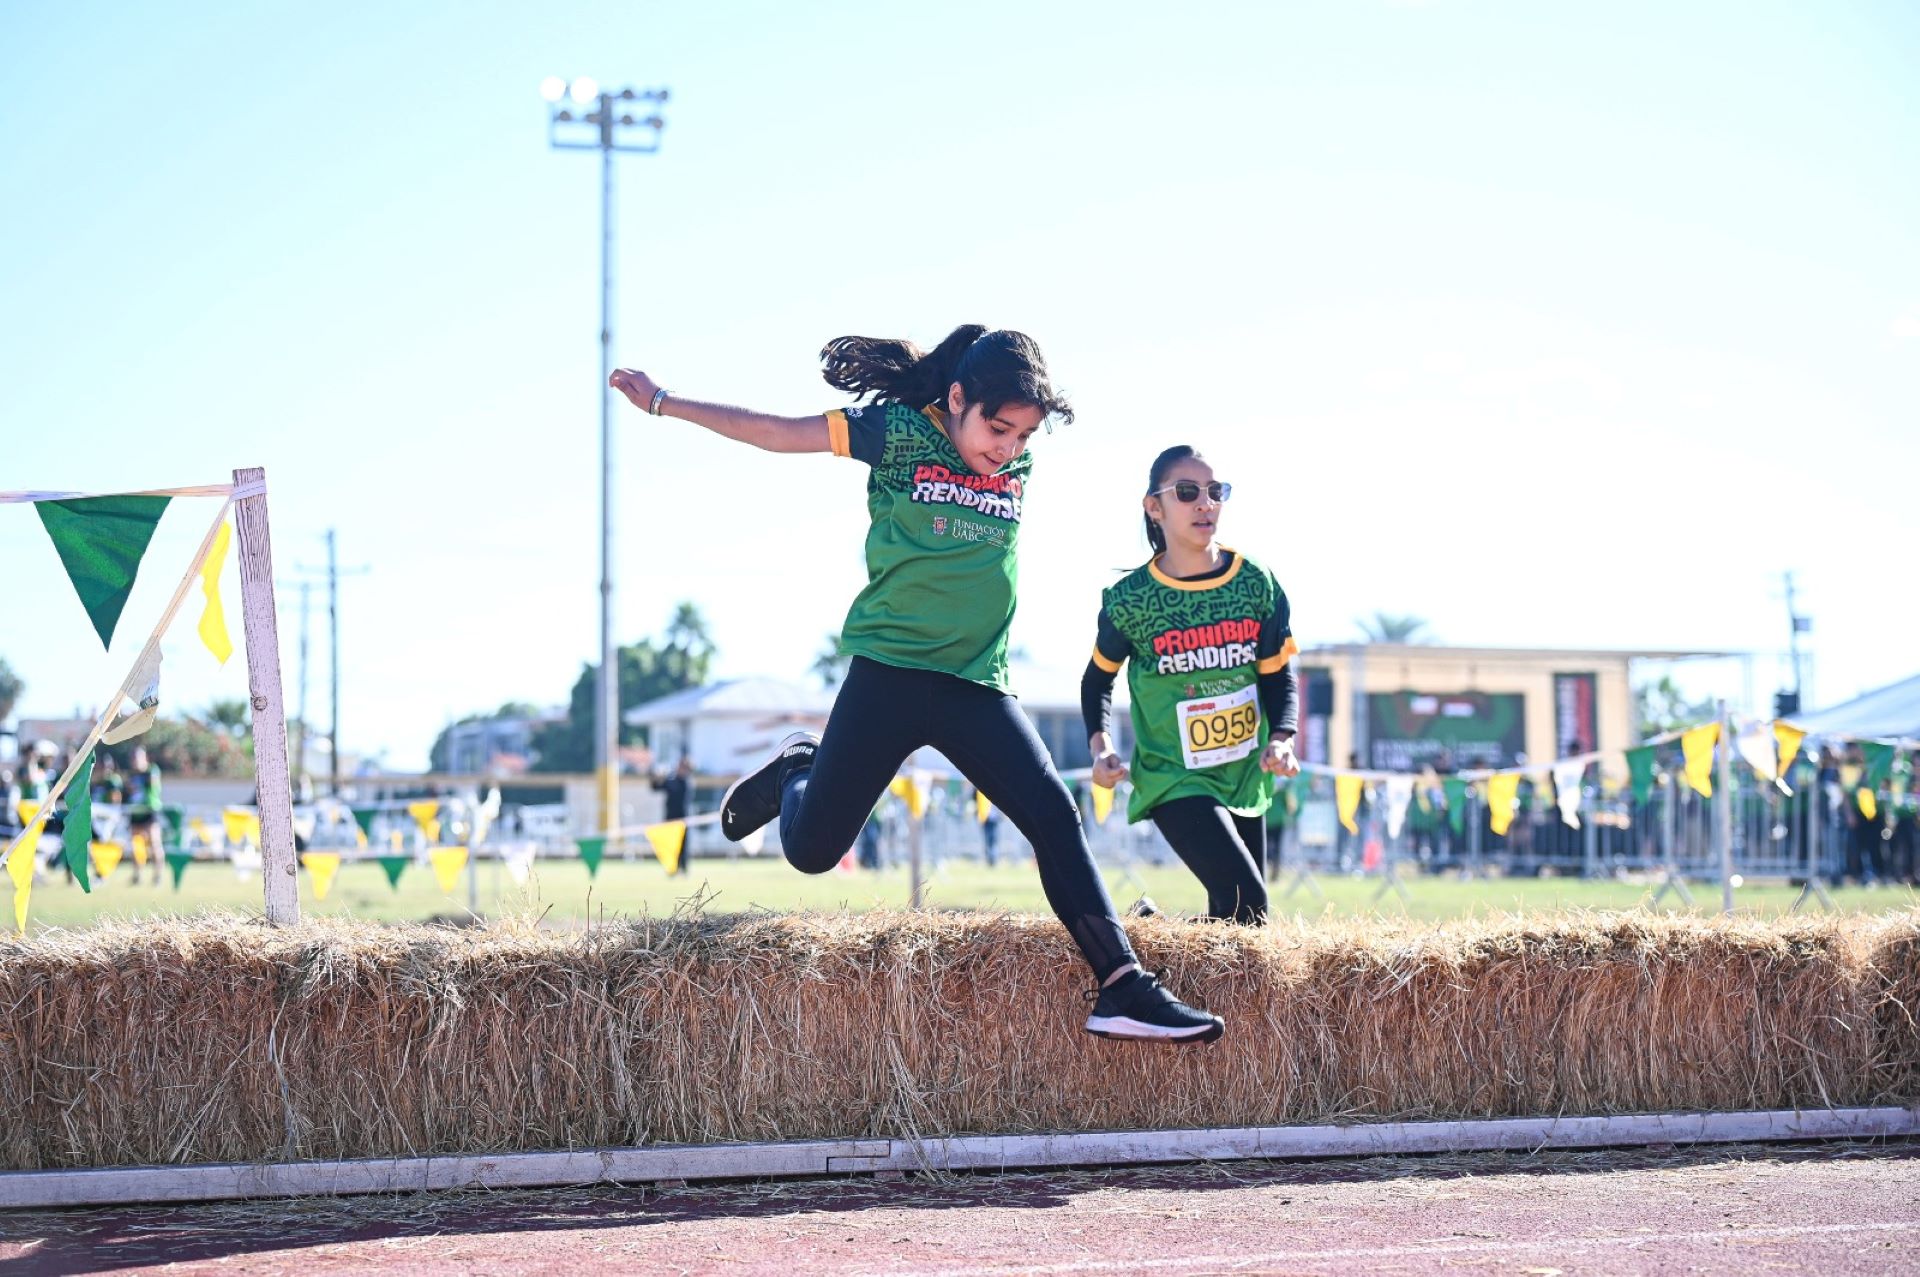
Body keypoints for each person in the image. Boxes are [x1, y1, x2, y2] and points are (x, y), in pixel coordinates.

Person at [610, 327, 1222, 1043]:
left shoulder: (1013, 464)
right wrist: (663, 402)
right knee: (810, 850)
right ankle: (796, 774)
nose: (1008, 449)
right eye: (997, 428)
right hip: (889, 674)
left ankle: (1123, 984)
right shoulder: (897, 432)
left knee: (1055, 813)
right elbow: (777, 432)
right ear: (957, 398)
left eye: (1024, 436)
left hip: (974, 683)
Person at [1081, 446, 1299, 927]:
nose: (1206, 503)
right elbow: (1098, 680)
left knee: (1242, 928)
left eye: (1215, 491)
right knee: (1249, 901)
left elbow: (1277, 673)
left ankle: (1150, 930)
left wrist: (1282, 739)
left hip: (1245, 771)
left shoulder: (1255, 582)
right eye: (1187, 492)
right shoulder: (1131, 601)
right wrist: (1102, 749)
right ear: (1153, 507)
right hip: (1174, 776)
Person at [650, 755, 694, 877]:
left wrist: (665, 778)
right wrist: (655, 776)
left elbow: (676, 791)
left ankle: (683, 868)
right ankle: (671, 869)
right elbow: (655, 787)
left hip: (682, 819)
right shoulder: (672, 781)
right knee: (669, 846)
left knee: (682, 845)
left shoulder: (686, 783)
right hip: (669, 818)